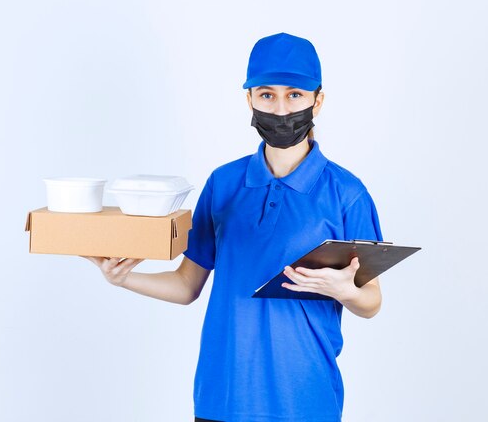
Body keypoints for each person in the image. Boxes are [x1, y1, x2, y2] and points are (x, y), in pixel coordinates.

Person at [83, 32, 384, 422]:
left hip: (304, 400)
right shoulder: (223, 184)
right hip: (222, 397)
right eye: (266, 94)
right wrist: (123, 279)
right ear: (250, 100)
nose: (279, 108)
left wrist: (348, 291)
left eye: (294, 94)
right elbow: (187, 285)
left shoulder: (347, 194)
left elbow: (372, 301)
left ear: (318, 100)